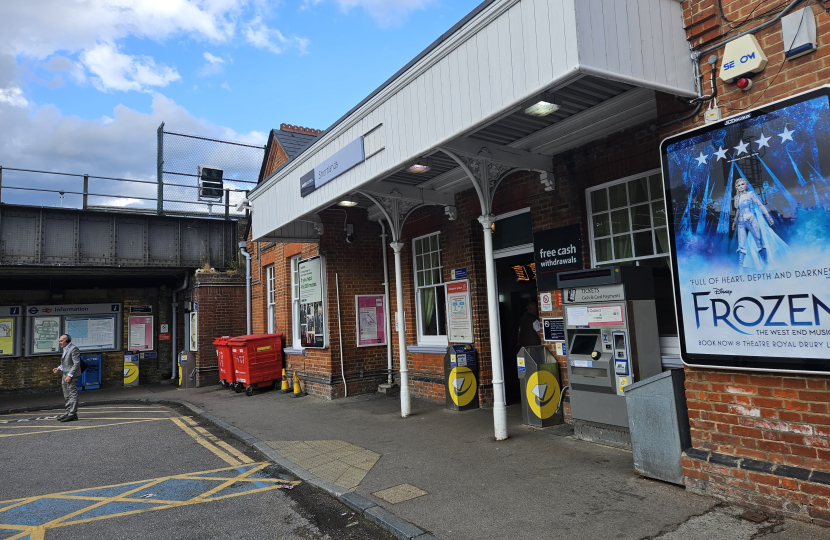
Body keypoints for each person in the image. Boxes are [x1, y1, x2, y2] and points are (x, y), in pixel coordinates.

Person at [731, 178, 775, 270]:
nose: (741, 186)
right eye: (738, 185)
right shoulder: (736, 197)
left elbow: (760, 205)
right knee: (741, 244)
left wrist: (768, 217)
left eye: (742, 184)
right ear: (736, 187)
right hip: (741, 222)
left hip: (751, 219)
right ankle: (740, 268)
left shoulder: (750, 194)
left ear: (746, 185)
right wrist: (735, 221)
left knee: (759, 241)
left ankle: (766, 264)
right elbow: (738, 211)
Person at [52, 334, 80, 422]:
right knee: (66, 395)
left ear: (67, 341)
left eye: (61, 341)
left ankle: (72, 414)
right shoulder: (65, 348)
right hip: (65, 374)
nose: (60, 343)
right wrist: (59, 368)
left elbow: (76, 363)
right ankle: (68, 412)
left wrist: (70, 375)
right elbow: (67, 363)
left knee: (72, 394)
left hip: (71, 376)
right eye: (59, 341)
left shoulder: (74, 348)